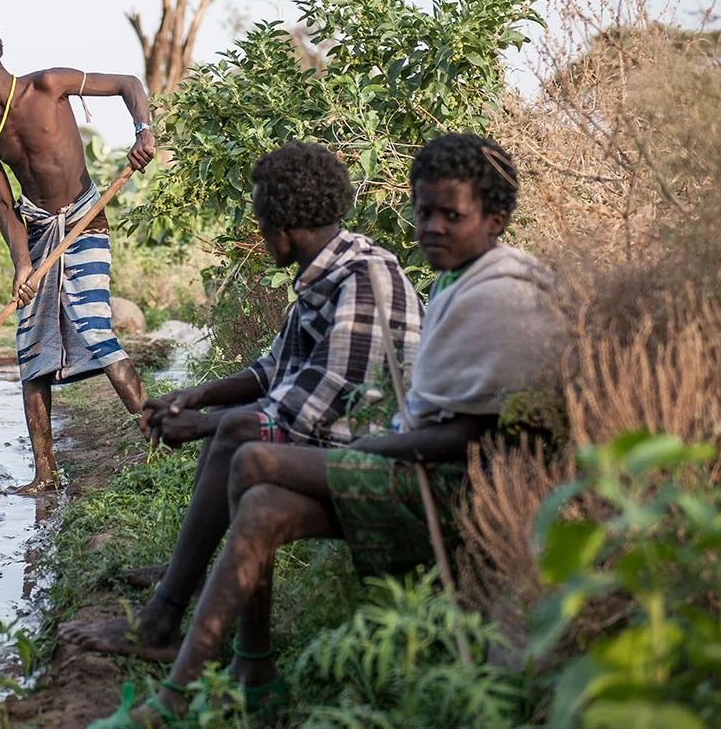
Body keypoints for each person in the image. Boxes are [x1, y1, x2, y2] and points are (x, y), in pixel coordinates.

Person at [86, 133, 559, 728]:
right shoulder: (428, 278)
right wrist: (196, 396)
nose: (432, 227)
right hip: (399, 449)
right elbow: (277, 369)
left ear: (495, 219)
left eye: (451, 215)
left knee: (247, 451)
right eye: (424, 213)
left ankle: (171, 645)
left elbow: (447, 429)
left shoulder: (457, 287)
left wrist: (369, 446)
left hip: (439, 478)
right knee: (259, 499)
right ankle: (249, 670)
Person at [60, 140, 423, 660]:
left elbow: (312, 409)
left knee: (233, 432)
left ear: (281, 227)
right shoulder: (329, 271)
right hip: (350, 434)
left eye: (258, 221)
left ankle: (164, 615)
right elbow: (273, 370)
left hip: (383, 450)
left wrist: (204, 423)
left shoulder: (365, 280)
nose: (258, 231)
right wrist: (196, 396)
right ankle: (184, 572)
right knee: (229, 430)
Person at [0, 18, 157, 494]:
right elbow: (5, 206)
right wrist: (22, 265)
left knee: (96, 328)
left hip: (85, 221)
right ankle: (45, 474)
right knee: (29, 351)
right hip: (36, 233)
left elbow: (129, 85)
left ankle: (157, 438)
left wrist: (143, 131)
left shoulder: (49, 86)